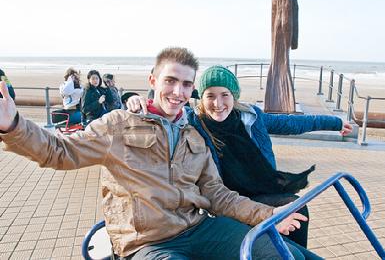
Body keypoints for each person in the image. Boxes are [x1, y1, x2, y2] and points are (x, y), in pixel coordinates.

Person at [0, 47, 321, 260]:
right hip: (146, 242)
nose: (177, 91)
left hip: (198, 228)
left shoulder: (193, 136)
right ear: (153, 81)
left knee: (283, 254)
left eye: (185, 84)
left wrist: (268, 215)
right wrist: (13, 125)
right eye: (170, 80)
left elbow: (217, 195)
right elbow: (60, 151)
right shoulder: (120, 125)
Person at [126, 64, 353, 249]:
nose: (218, 104)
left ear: (234, 96)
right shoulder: (192, 122)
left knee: (296, 209)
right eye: (210, 96)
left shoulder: (251, 117)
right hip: (226, 201)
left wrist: (335, 122)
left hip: (263, 191)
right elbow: (162, 111)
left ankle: (292, 254)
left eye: (225, 95)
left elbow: (294, 123)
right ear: (201, 98)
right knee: (283, 218)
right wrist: (133, 100)